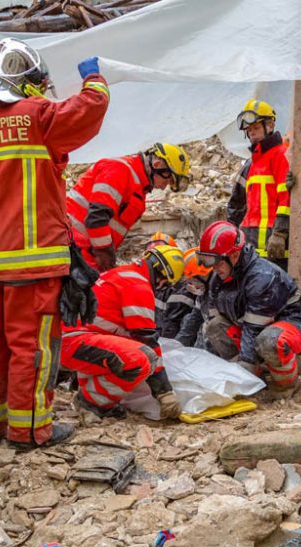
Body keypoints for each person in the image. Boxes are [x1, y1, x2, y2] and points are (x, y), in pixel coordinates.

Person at [0, 39, 109, 448]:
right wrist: (96, 79)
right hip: (34, 262)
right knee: (32, 348)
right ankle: (29, 429)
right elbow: (88, 110)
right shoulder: (37, 116)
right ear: (29, 82)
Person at [61, 245, 185, 419]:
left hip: (70, 340)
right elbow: (146, 341)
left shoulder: (122, 274)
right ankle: (91, 402)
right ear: (163, 279)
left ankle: (92, 394)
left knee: (122, 347)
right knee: (142, 359)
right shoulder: (138, 285)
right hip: (74, 342)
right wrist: (164, 392)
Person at [199, 221, 301, 391]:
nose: (213, 267)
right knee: (214, 327)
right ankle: (256, 375)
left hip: (294, 324)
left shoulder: (262, 277)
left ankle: (286, 386)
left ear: (234, 255)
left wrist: (244, 368)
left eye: (216, 260)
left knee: (268, 341)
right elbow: (212, 320)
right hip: (257, 328)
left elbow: (253, 329)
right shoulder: (219, 278)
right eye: (208, 260)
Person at [67, 144, 191, 271]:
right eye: (166, 181)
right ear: (157, 165)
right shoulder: (120, 170)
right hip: (72, 247)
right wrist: (105, 254)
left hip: (85, 253)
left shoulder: (137, 187)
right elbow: (97, 218)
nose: (163, 187)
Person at [225, 99, 291, 269]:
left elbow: (287, 198)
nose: (252, 133)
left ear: (269, 126)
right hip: (250, 243)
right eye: (249, 130)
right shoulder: (252, 163)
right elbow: (238, 204)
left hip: (272, 245)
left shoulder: (281, 155)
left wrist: (279, 233)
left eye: (255, 128)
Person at [161, 248, 211, 344]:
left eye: (194, 281)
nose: (194, 286)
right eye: (190, 281)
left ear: (204, 275)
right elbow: (191, 324)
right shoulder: (203, 296)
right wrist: (176, 346)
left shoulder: (218, 294)